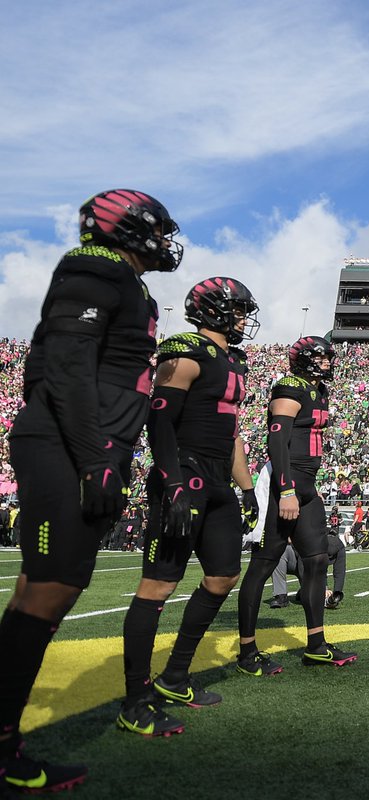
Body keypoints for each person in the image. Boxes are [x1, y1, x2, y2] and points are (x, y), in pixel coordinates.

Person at [0, 190, 179, 792]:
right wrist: (96, 453)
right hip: (70, 446)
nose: (163, 242)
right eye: (155, 231)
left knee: (40, 592)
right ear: (125, 230)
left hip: (79, 445)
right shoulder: (95, 266)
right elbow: (67, 366)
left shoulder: (126, 281)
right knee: (50, 590)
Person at [116, 277, 260, 738]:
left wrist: (248, 488)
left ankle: (175, 677)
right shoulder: (186, 349)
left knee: (222, 577)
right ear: (214, 310)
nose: (244, 319)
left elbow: (233, 432)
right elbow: (158, 419)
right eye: (238, 310)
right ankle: (135, 701)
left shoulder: (234, 360)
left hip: (218, 479)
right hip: (184, 474)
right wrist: (171, 481)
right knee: (158, 585)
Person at [237, 336, 356, 676]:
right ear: (304, 359)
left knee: (317, 561)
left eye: (328, 357)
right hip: (283, 485)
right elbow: (277, 439)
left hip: (306, 485)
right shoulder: (290, 386)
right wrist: (286, 489)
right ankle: (247, 650)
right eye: (320, 358)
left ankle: (316, 645)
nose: (327, 362)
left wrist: (307, 489)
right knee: (262, 565)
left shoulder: (319, 391)